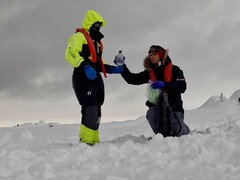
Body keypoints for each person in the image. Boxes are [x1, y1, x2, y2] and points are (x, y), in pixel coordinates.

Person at [65, 10, 123, 145]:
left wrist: (113, 69)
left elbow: (97, 64)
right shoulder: (79, 37)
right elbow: (70, 53)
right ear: (90, 23)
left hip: (95, 78)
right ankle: (85, 141)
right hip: (82, 77)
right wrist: (84, 66)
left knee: (97, 107)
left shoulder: (96, 43)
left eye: (100, 25)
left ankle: (93, 139)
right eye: (96, 25)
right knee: (89, 107)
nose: (98, 28)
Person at [121, 45, 190, 137]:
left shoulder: (175, 70)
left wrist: (165, 84)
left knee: (178, 133)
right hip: (157, 108)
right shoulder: (149, 72)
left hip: (174, 107)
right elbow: (132, 79)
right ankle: (160, 136)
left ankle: (185, 130)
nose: (151, 56)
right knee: (151, 114)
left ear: (161, 55)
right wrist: (122, 66)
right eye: (150, 55)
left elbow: (182, 87)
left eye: (154, 54)